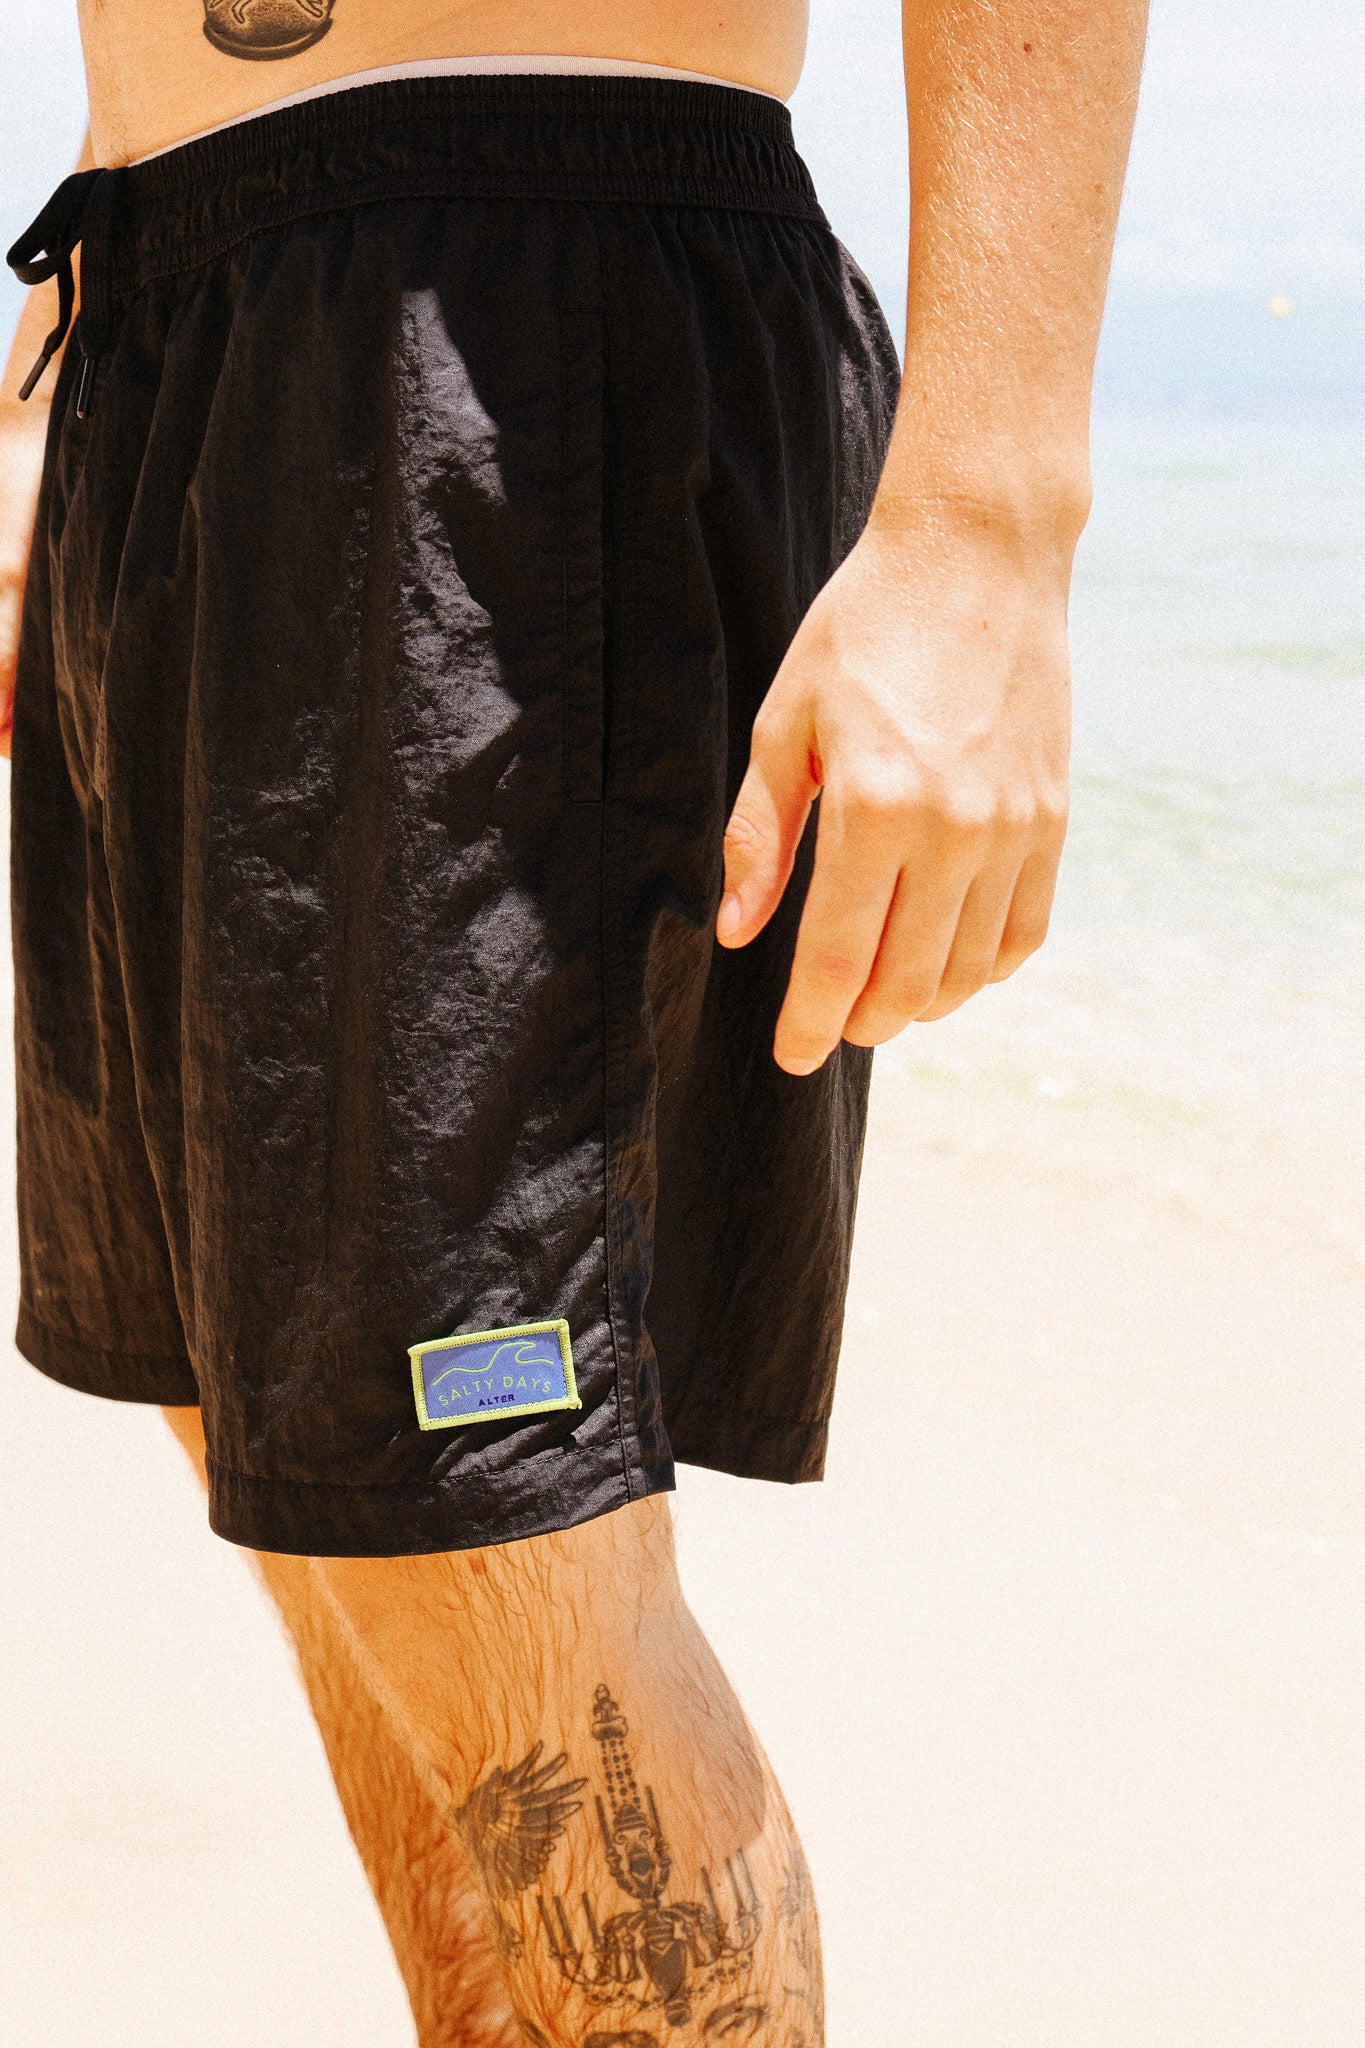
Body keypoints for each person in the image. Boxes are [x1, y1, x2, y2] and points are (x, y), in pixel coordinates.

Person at [0, 1, 1148, 2040]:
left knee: (485, 1565)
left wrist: (988, 516)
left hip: (510, 285)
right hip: (171, 317)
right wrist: (58, 365)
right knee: (334, 1509)